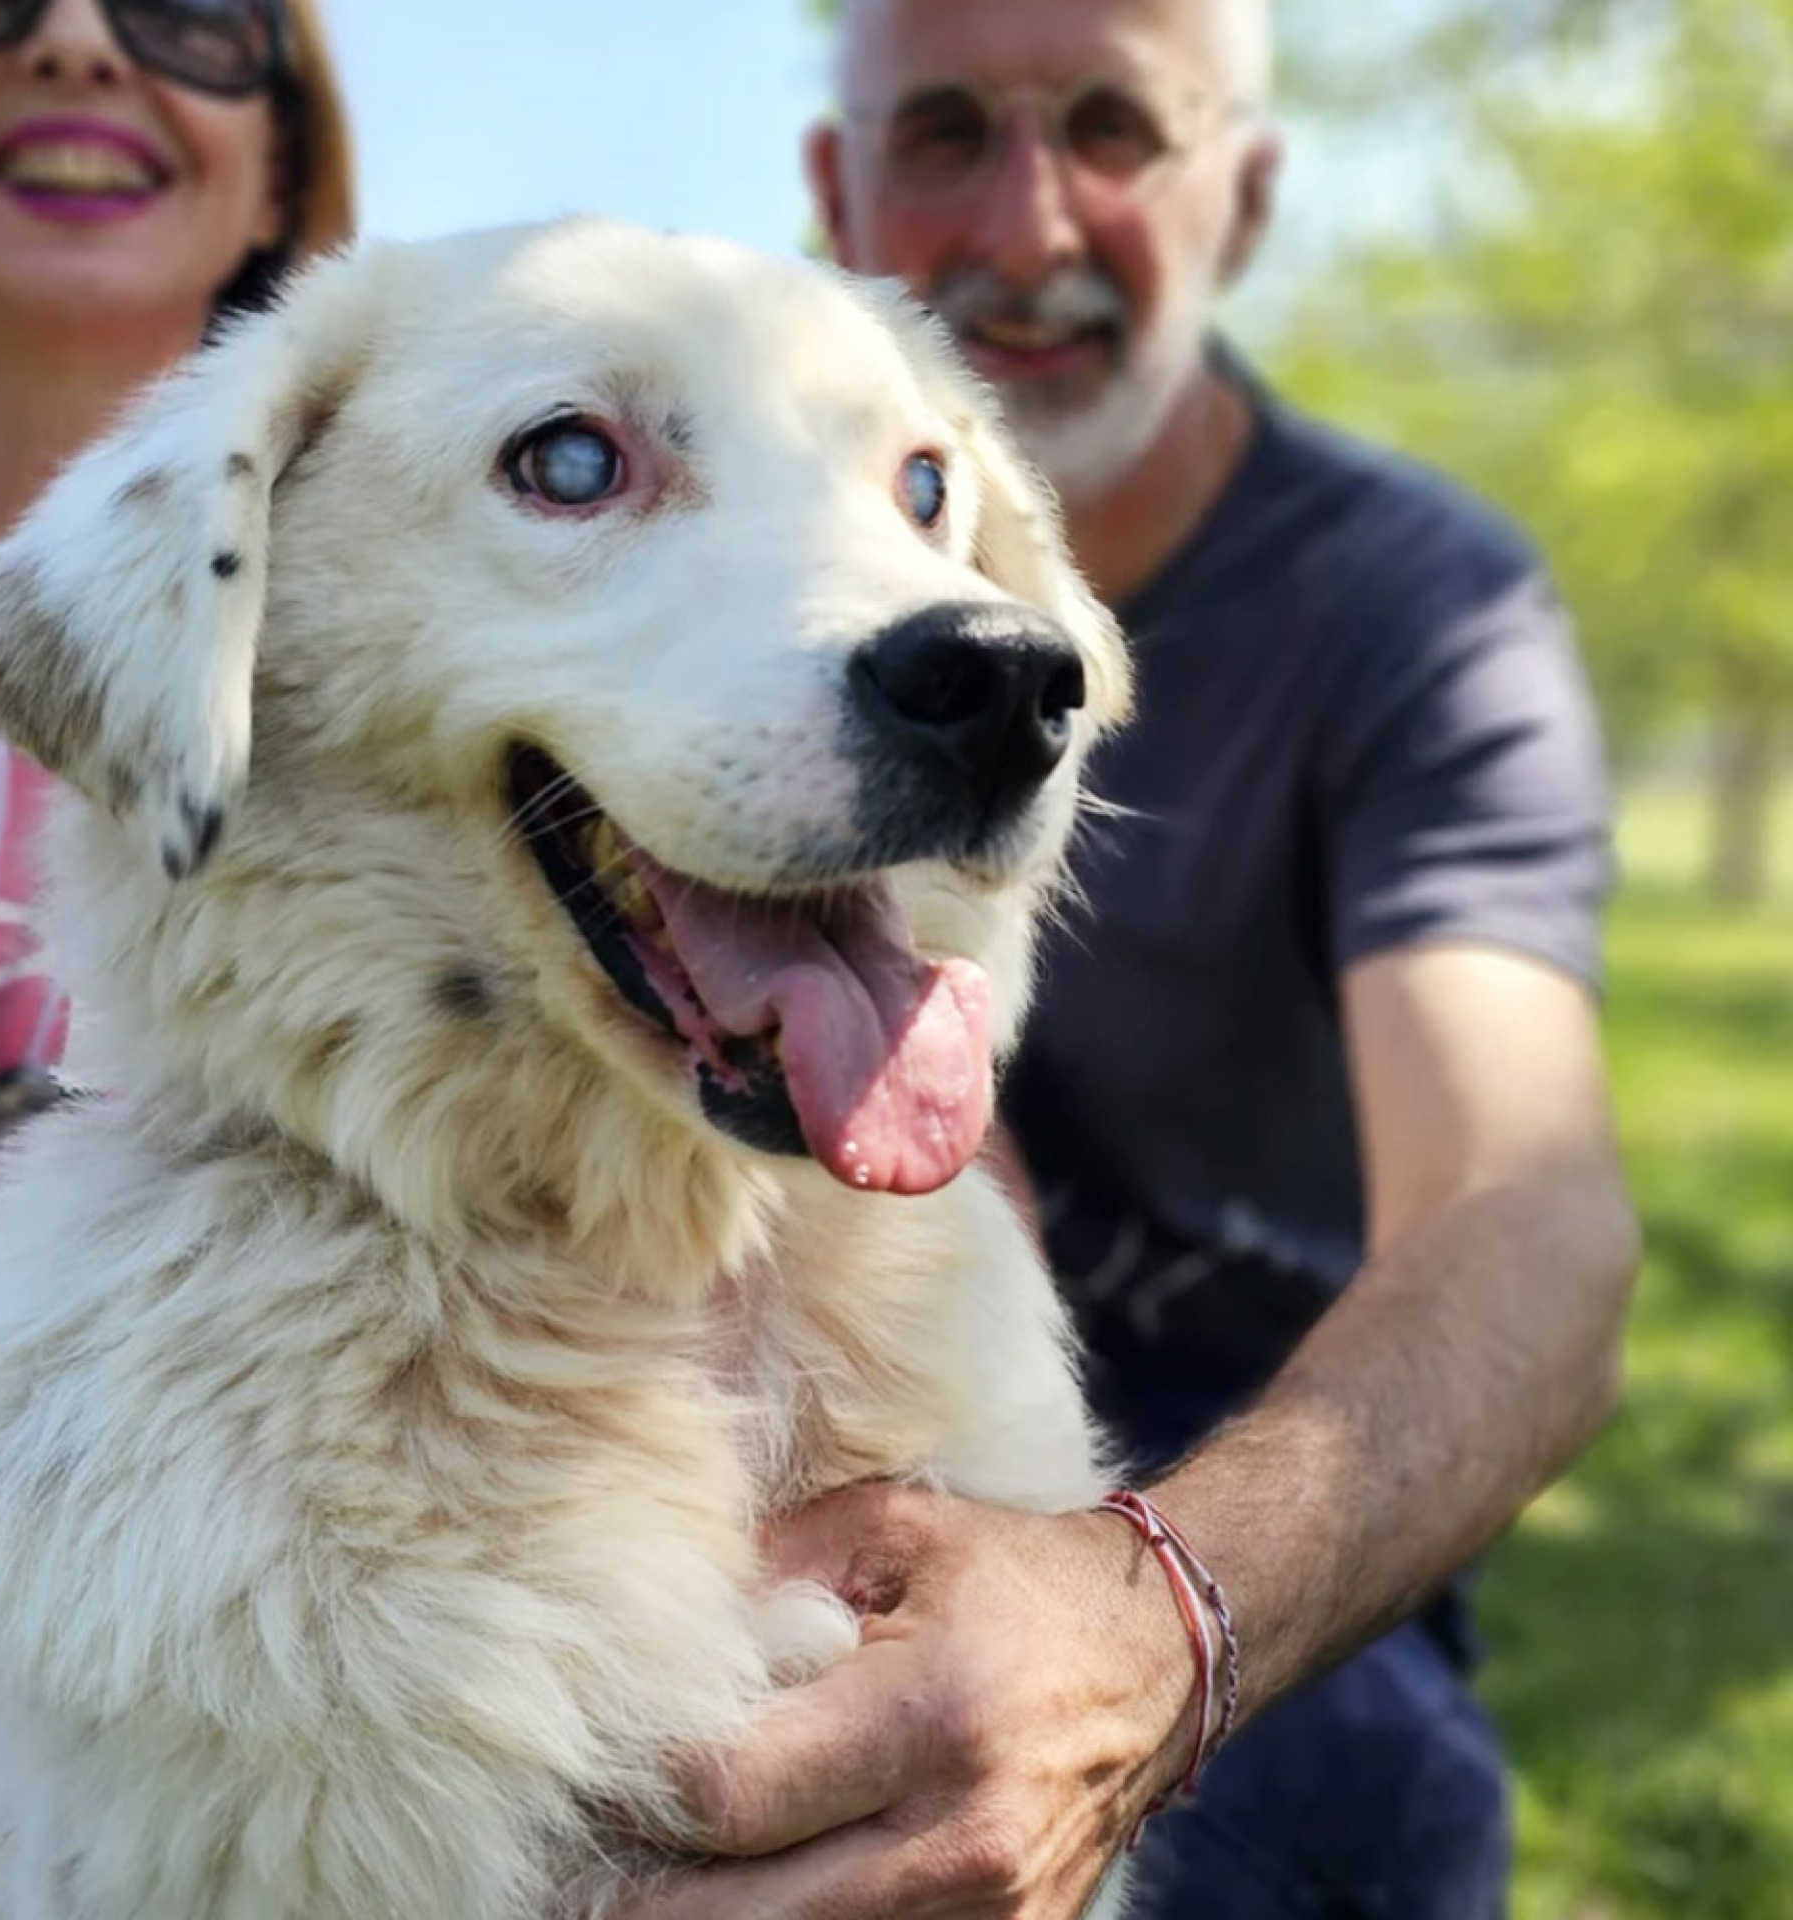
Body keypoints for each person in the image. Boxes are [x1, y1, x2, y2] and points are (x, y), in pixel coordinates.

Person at [625, 2, 1641, 1915]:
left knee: (1378, 1794)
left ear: (1243, 196)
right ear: (833, 188)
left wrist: (1152, 1618)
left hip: (1238, 1456)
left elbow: (1536, 1221)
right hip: (748, 1370)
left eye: (1112, 128)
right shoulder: (705, 586)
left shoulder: (1424, 613)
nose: (1027, 226)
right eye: (942, 131)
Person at [0, 0, 355, 1603]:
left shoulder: (476, 643)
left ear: (281, 166)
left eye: (190, 17)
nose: (77, 44)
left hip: (290, 1610)